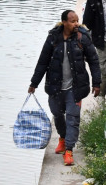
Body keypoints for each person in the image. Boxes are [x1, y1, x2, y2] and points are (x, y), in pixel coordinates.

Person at [29, 10, 101, 166]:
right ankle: (62, 137)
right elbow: (42, 62)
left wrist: (97, 83)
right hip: (55, 86)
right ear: (64, 22)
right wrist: (34, 83)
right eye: (72, 21)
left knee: (73, 118)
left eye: (77, 21)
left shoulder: (83, 38)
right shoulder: (53, 39)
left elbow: (94, 61)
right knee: (57, 114)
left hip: (75, 87)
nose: (76, 24)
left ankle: (69, 150)